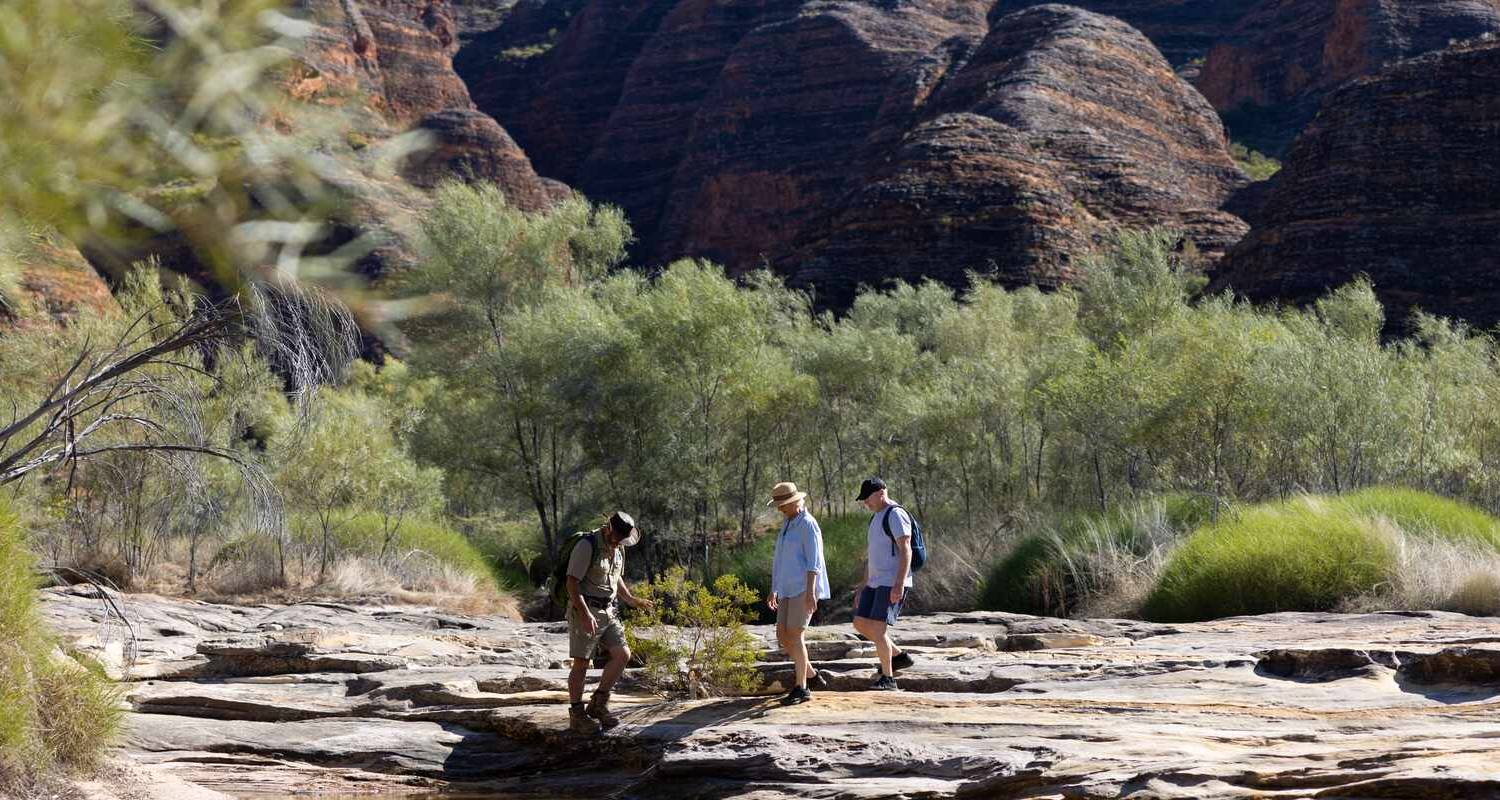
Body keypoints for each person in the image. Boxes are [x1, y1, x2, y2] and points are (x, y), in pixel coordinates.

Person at [565, 511, 653, 734]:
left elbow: (616, 577)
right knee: (582, 662)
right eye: (618, 537)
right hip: (586, 610)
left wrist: (631, 599)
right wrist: (584, 614)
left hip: (609, 610)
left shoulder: (619, 546)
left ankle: (598, 704)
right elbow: (572, 583)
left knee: (622, 655)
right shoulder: (587, 545)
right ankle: (577, 714)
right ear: (609, 528)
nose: (620, 542)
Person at [766, 481, 830, 705]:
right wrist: (774, 587)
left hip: (803, 588)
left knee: (795, 634)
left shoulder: (807, 524)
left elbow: (814, 562)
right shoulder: (787, 523)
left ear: (794, 502)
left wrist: (811, 593)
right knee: (782, 635)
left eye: (782, 504)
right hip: (786, 587)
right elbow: (780, 560)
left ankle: (801, 687)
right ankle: (811, 675)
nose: (779, 508)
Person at [852, 478, 915, 690]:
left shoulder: (895, 514)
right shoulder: (876, 517)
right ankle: (898, 657)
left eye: (867, 498)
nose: (865, 503)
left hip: (891, 581)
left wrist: (899, 584)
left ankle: (889, 679)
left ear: (880, 492)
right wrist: (862, 586)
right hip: (875, 582)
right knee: (860, 623)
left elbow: (906, 549)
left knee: (878, 630)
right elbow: (873, 557)